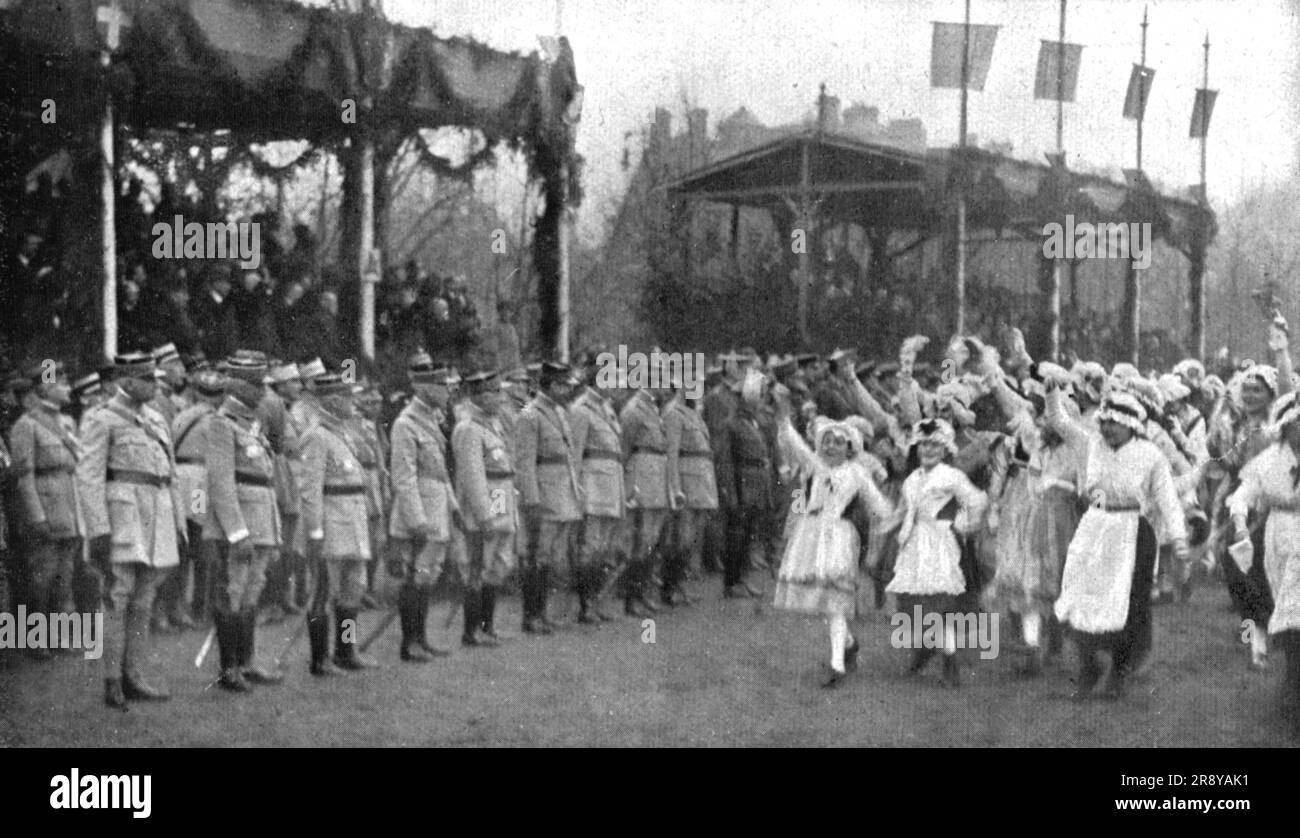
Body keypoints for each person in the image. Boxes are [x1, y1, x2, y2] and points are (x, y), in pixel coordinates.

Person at [1048, 384, 1188, 700]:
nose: (1108, 428)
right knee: (1080, 595)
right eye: (1104, 422)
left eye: (1115, 423)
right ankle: (1088, 666)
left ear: (1132, 425)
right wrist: (1051, 393)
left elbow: (1167, 499)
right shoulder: (1090, 444)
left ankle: (1119, 672)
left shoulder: (1151, 455)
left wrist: (1178, 537)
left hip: (1132, 532)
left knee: (1128, 604)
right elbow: (1060, 422)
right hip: (1094, 527)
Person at [77, 352, 185, 708]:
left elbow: (170, 477)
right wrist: (98, 531)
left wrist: (180, 525)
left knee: (144, 601)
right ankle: (111, 682)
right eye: (147, 379)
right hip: (121, 520)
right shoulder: (101, 419)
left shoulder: (154, 419)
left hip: (156, 519)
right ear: (126, 381)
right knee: (116, 598)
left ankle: (134, 675)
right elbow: (89, 478)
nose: (154, 385)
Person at [772, 392, 893, 688]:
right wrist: (783, 414)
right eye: (826, 441)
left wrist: (895, 520)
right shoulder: (816, 466)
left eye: (838, 442)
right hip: (811, 533)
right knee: (825, 602)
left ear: (850, 447)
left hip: (839, 536)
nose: (830, 446)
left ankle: (837, 664)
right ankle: (849, 644)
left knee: (836, 602)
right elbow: (792, 441)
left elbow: (879, 506)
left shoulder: (857, 473)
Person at [203, 352, 285, 691]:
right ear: (236, 385)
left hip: (262, 516)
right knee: (232, 592)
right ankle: (229, 669)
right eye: (255, 385)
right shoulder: (222, 423)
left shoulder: (253, 423)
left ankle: (247, 662)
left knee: (252, 591)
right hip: (238, 524)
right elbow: (221, 482)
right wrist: (237, 532)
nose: (262, 392)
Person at [886, 418, 987, 687]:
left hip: (941, 541)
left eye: (935, 446)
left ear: (945, 450)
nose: (929, 450)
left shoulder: (951, 476)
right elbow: (902, 510)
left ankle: (950, 661)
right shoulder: (912, 479)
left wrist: (963, 525)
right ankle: (925, 648)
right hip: (915, 542)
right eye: (924, 445)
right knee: (914, 600)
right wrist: (887, 526)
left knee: (941, 604)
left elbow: (976, 501)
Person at [1227, 392, 1300, 740]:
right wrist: (1241, 525)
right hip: (1281, 540)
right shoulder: (1269, 460)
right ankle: (1292, 689)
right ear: (1286, 426)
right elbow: (1242, 496)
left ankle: (1292, 694)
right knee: (1289, 617)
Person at [299, 372, 379, 675]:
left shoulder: (342, 433)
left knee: (353, 589)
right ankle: (320, 660)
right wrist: (315, 532)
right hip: (331, 525)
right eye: (348, 397)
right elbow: (310, 491)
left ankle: (345, 651)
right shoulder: (317, 436)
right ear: (332, 401)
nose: (353, 402)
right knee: (323, 591)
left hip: (353, 521)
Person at [8, 363, 82, 660]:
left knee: (65, 574)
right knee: (42, 575)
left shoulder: (67, 423)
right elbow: (25, 477)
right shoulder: (26, 425)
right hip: (46, 506)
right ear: (45, 388)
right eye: (61, 382)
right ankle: (36, 640)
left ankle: (61, 637)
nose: (68, 388)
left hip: (69, 502)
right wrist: (36, 516)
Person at [387, 354, 458, 662]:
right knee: (415, 577)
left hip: (437, 507)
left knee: (427, 576)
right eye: (444, 387)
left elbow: (440, 472)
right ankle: (409, 642)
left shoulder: (431, 420)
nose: (448, 393)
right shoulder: (406, 424)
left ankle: (422, 638)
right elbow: (404, 477)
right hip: (418, 513)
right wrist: (416, 520)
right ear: (427, 389)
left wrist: (453, 506)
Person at [515, 362, 583, 633]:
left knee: (549, 555)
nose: (566, 389)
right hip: (543, 494)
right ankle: (531, 615)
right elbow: (525, 462)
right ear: (549, 385)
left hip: (561, 492)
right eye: (561, 384)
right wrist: (530, 499)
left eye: (567, 385)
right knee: (538, 555)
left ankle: (540, 613)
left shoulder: (559, 412)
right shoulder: (531, 415)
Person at [452, 370, 517, 646]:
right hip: (483, 502)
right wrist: (484, 515)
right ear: (478, 396)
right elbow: (473, 475)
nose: (500, 398)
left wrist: (500, 513)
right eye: (493, 393)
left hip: (500, 495)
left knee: (498, 563)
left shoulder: (493, 424)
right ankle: (471, 630)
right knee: (477, 566)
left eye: (499, 392)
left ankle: (487, 625)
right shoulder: (469, 428)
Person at [568, 357, 624, 623]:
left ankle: (596, 602)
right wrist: (576, 487)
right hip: (592, 484)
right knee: (590, 547)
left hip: (610, 483)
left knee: (603, 547)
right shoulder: (581, 409)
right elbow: (575, 454)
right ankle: (585, 604)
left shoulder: (606, 408)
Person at [714, 370, 774, 600]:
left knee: (748, 534)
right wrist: (730, 491)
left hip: (756, 482)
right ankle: (732, 582)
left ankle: (742, 578)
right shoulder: (731, 425)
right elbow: (726, 461)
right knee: (736, 535)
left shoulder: (754, 423)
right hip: (742, 483)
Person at [619, 377, 674, 615]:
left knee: (651, 540)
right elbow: (624, 449)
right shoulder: (634, 410)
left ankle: (642, 593)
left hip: (656, 475)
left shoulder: (653, 408)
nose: (667, 386)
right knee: (641, 540)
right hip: (641, 474)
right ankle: (632, 599)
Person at [662, 372, 718, 604]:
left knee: (692, 539)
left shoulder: (695, 415)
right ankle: (669, 587)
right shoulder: (674, 414)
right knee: (681, 539)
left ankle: (679, 586)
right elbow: (672, 454)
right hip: (686, 483)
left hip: (701, 484)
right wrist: (675, 488)